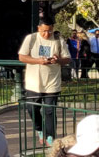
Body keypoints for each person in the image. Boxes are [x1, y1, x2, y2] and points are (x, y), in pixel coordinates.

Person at [18, 16, 70, 146]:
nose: (47, 34)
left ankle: (50, 136)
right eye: (44, 31)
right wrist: (38, 61)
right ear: (38, 29)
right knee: (32, 108)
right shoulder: (31, 39)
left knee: (49, 110)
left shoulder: (58, 40)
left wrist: (57, 60)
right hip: (33, 82)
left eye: (50, 31)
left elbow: (67, 59)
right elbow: (22, 57)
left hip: (52, 82)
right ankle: (39, 129)